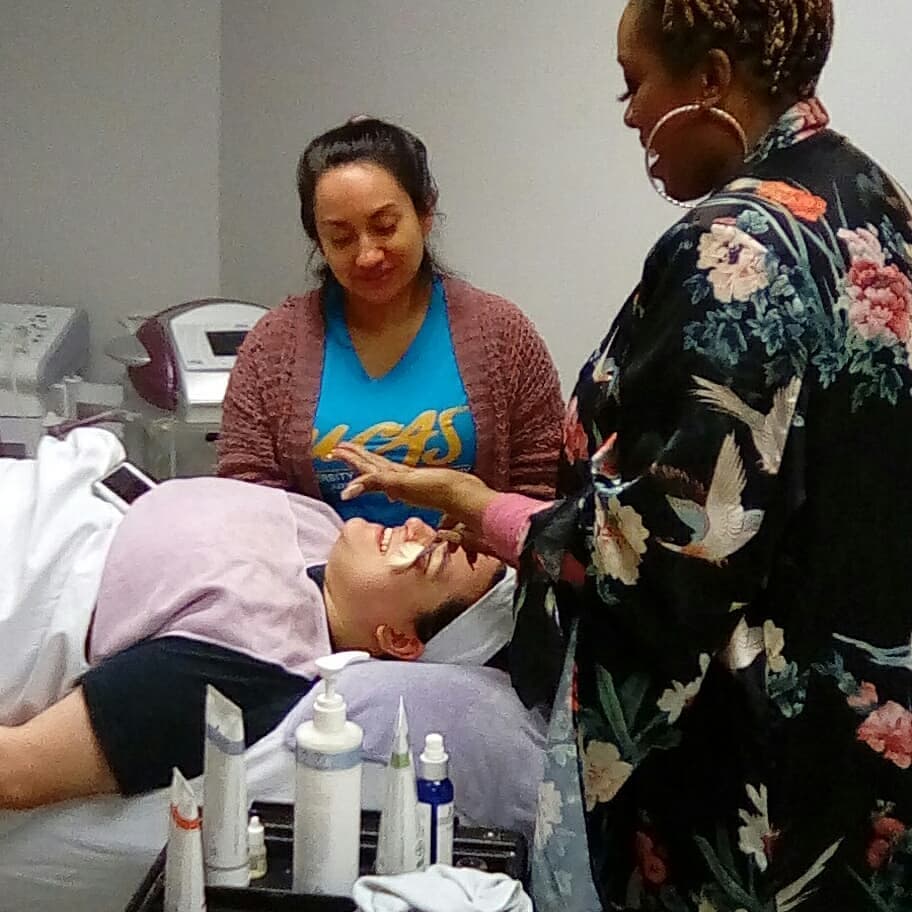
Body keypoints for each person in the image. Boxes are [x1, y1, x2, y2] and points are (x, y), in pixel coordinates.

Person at [329, 2, 912, 909]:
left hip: (762, 774)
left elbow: (671, 559)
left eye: (636, 85)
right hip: (866, 729)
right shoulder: (872, 201)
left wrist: (488, 510)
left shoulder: (734, 248)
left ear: (711, 79)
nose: (631, 115)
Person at [0, 476, 506, 811]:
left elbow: (18, 771)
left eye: (428, 558)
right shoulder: (323, 529)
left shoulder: (249, 666)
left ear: (397, 640)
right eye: (439, 533)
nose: (415, 526)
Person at [217, 116, 564, 527]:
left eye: (385, 227)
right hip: (323, 567)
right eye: (341, 238)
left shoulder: (501, 335)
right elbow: (248, 500)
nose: (367, 255)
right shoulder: (274, 347)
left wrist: (477, 553)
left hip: (473, 565)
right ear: (318, 241)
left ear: (425, 212)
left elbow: (541, 496)